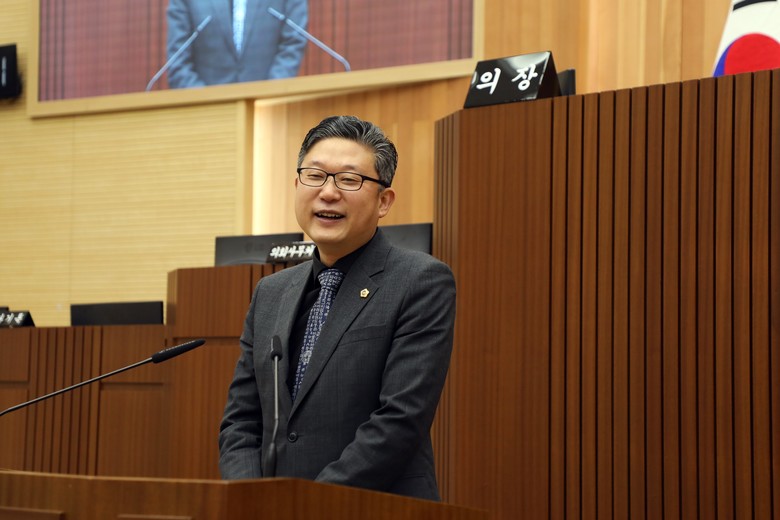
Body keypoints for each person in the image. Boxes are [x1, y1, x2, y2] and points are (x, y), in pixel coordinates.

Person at [218, 115, 457, 500]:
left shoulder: (420, 281)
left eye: (349, 180)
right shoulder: (270, 292)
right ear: (297, 185)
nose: (328, 193)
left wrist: (309, 507)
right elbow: (241, 422)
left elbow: (399, 421)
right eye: (315, 176)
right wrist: (252, 501)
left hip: (374, 507)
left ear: (383, 201)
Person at [166, 0, 308, 88]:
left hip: (269, 112)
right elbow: (178, 61)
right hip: (204, 115)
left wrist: (270, 93)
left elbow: (293, 43)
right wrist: (207, 102)